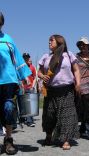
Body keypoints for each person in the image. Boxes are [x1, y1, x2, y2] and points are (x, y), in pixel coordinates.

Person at [38, 34, 80, 150]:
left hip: (66, 90)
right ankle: (48, 136)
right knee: (49, 115)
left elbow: (76, 70)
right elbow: (39, 72)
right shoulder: (46, 57)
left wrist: (78, 83)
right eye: (48, 41)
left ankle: (65, 140)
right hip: (51, 91)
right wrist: (42, 76)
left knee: (66, 115)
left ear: (60, 42)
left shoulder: (69, 55)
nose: (49, 43)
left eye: (51, 40)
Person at [0, 12, 31, 155]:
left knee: (8, 108)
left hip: (8, 80)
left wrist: (24, 76)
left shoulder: (8, 39)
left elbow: (17, 59)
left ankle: (8, 139)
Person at [22, 53, 37, 127]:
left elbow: (35, 77)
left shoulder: (32, 67)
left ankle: (30, 121)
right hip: (23, 88)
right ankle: (27, 119)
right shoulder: (21, 67)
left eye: (27, 57)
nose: (26, 59)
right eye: (25, 58)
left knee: (30, 105)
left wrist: (33, 86)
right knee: (25, 105)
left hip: (30, 88)